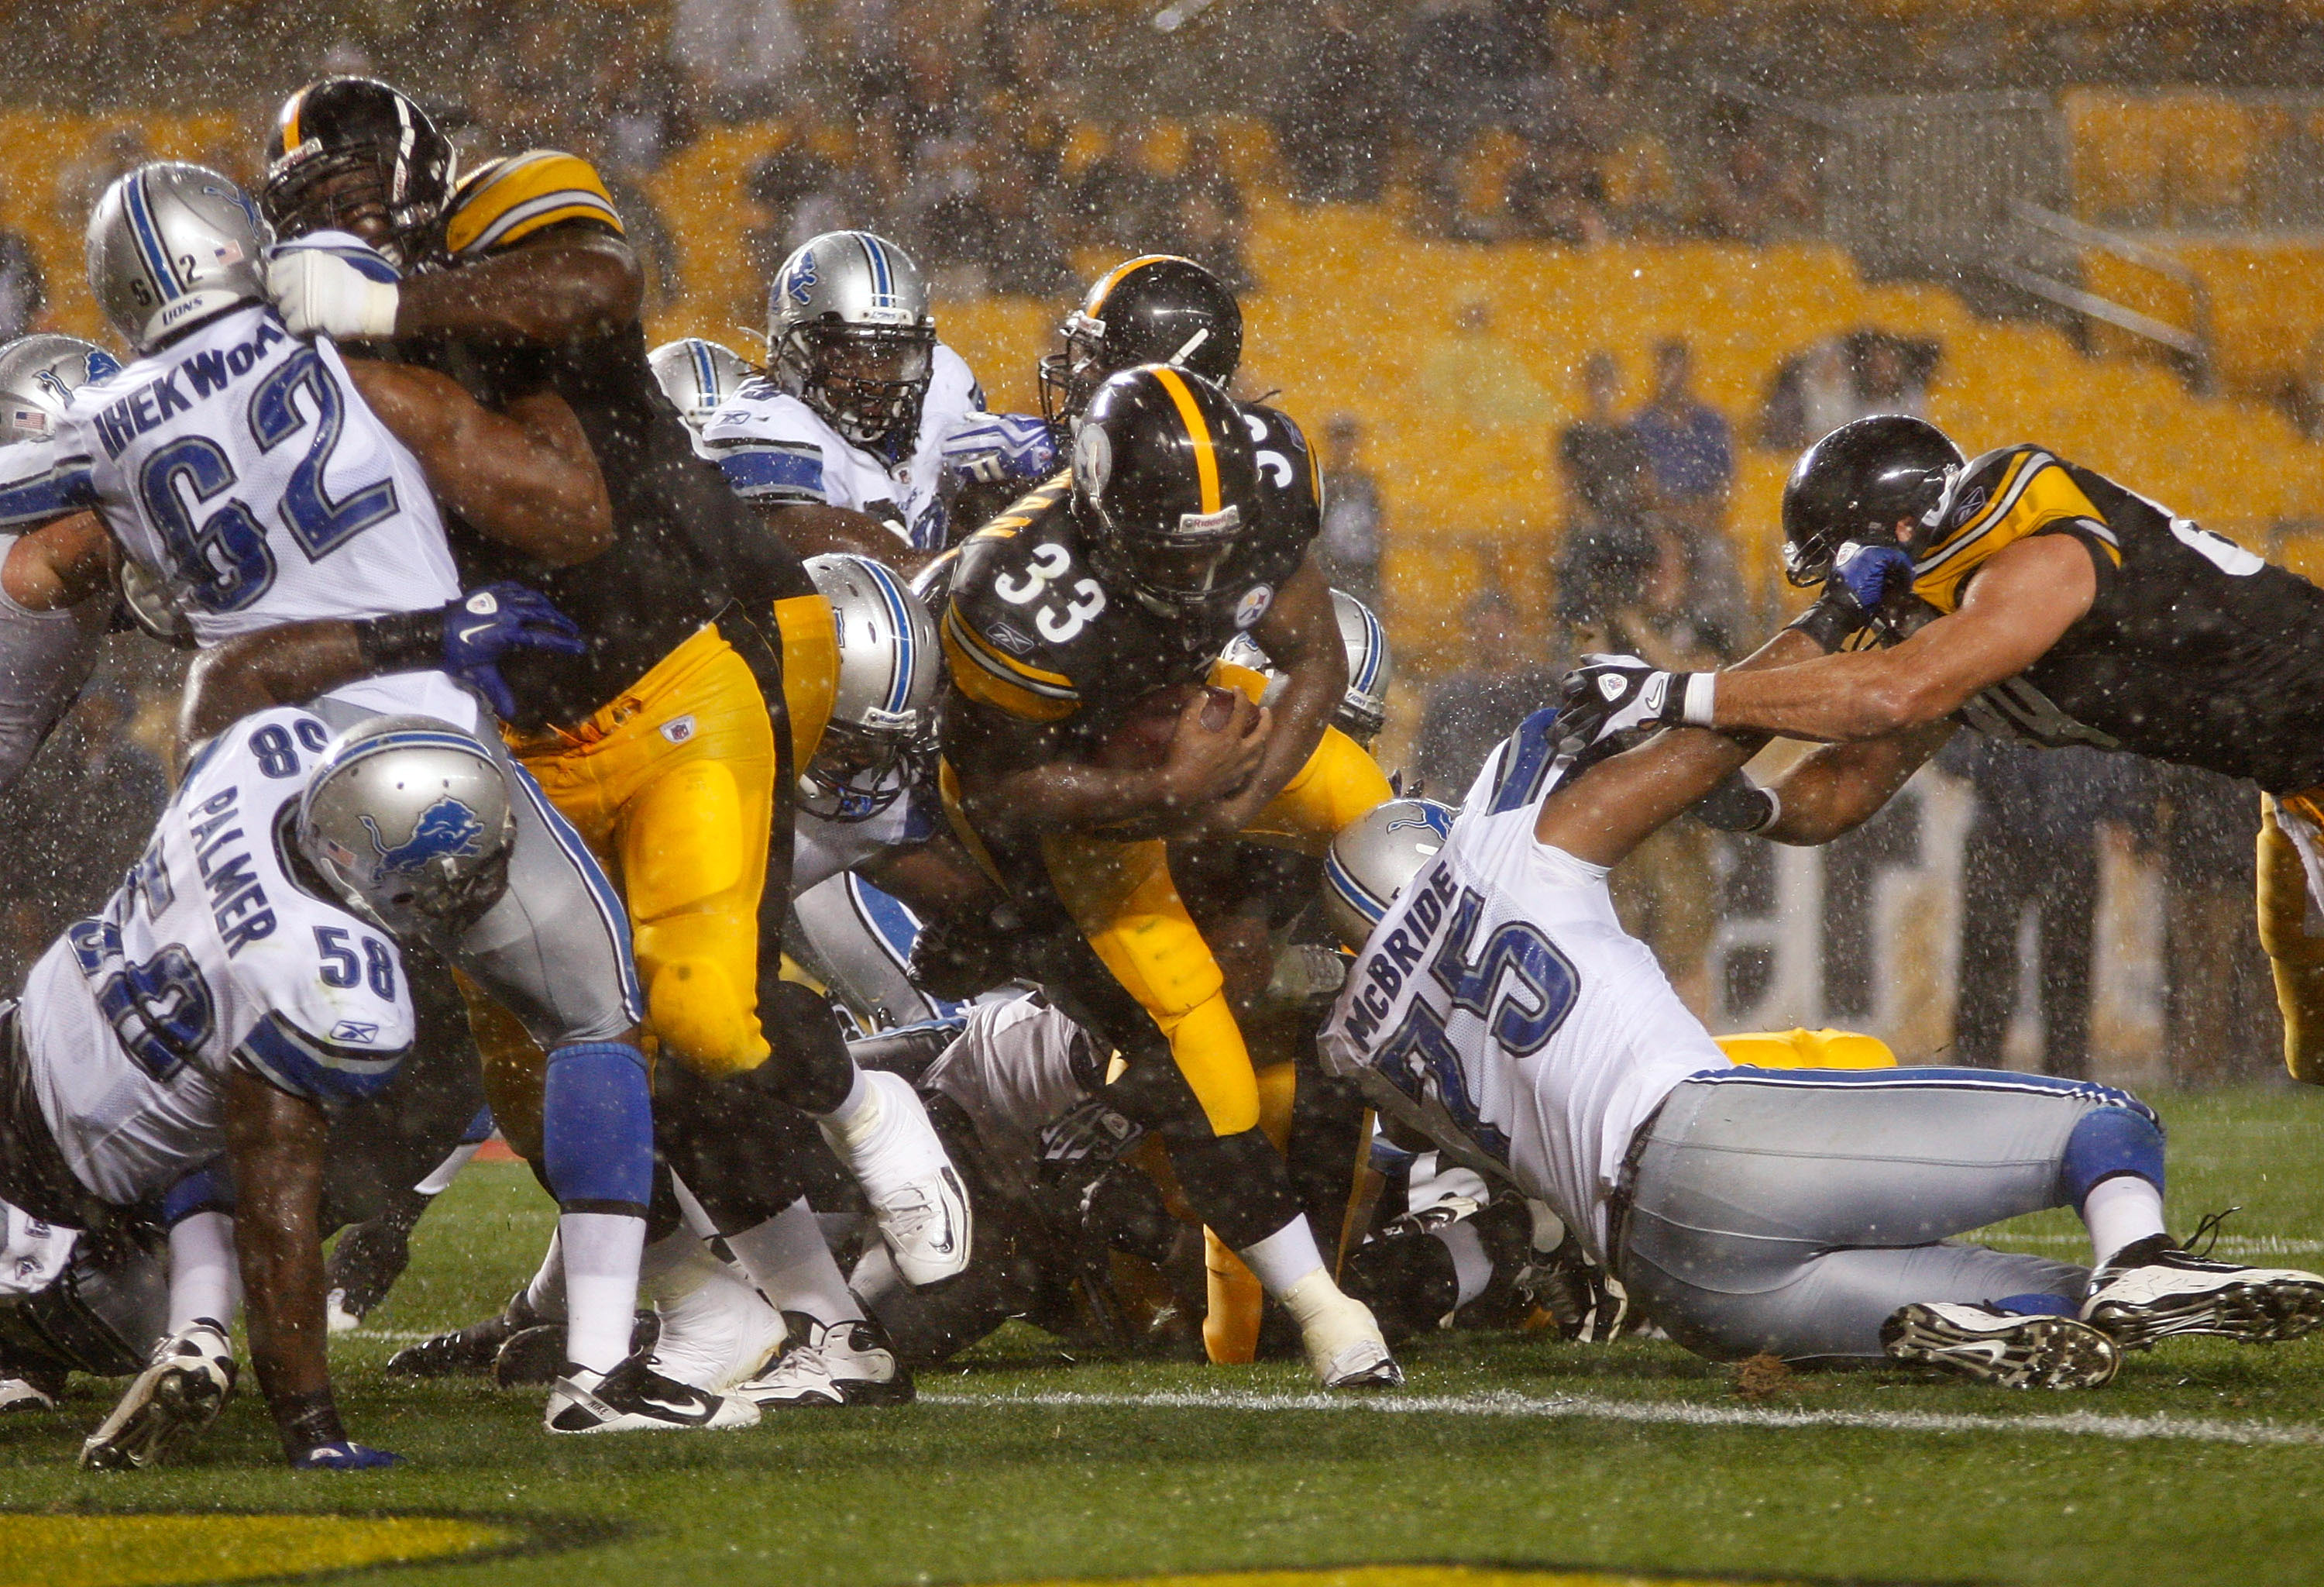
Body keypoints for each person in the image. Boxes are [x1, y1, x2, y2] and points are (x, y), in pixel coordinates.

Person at [256, 80, 972, 1313]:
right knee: (552, 1030)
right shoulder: (337, 348)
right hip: (570, 691)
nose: (349, 216)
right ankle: (666, 1295)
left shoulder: (497, 215)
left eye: (364, 186)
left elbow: (598, 286)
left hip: (719, 631)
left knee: (693, 1001)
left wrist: (389, 299)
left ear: (425, 167)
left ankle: (834, 1202)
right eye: (319, 201)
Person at [1322, 691, 2324, 1386]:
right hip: (1705, 1148)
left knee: (2070, 1305)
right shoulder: (1504, 856)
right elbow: (1562, 738)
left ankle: (1957, 1334)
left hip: (1680, 1288)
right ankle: (2143, 1252)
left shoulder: (1358, 1043)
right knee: (2106, 1125)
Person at [1557, 413, 2324, 1091]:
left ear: (1901, 529)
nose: (1854, 595)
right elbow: (1844, 789)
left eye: (1843, 569)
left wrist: (1671, 693)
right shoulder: (1963, 632)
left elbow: (1892, 693)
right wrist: (1740, 800)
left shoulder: (2040, 550)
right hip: (2298, 781)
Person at [938, 365, 1399, 1388]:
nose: (1200, 579)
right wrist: (1166, 796)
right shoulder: (1015, 594)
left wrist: (1233, 798)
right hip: (1094, 786)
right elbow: (1004, 792)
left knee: (1402, 854)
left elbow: (1315, 657)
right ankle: (1327, 1312)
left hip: (1198, 732)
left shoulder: (1265, 490)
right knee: (1200, 1040)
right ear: (1102, 517)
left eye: (1216, 551)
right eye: (1170, 553)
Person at [0, 710, 497, 1467]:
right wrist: (313, 1429)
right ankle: (69, 1309)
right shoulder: (331, 981)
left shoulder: (261, 754)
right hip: (62, 1167)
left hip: (27, 1035)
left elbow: (242, 677)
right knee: (114, 1311)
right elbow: (275, 1214)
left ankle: (118, 1313)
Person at [697, 230, 989, 566]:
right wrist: (982, 570)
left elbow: (985, 517)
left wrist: (1045, 469)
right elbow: (876, 564)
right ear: (792, 350)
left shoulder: (945, 381)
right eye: (848, 356)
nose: (876, 380)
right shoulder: (760, 424)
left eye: (894, 356)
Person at [1941, 738, 2138, 1078]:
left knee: (2065, 962)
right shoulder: (1993, 693)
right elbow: (1953, 756)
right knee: (1989, 958)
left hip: (2063, 839)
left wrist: (2117, 808)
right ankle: (1976, 1068)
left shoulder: (2075, 695)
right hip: (2004, 837)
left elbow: (2114, 755)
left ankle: (2060, 1071)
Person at [1415, 590, 1559, 798]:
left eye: (1501, 630)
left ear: (1517, 630)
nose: (1495, 640)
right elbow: (1428, 774)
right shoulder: (1450, 696)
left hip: (1530, 804)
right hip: (1464, 804)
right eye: (1485, 632)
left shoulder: (1545, 686)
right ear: (1471, 634)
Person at [1629, 339, 1732, 542]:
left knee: (1717, 554)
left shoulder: (1711, 424)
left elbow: (1725, 483)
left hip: (1705, 520)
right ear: (1658, 374)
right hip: (1655, 522)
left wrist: (1701, 512)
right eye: (1669, 370)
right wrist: (1674, 512)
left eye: (1680, 370)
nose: (1675, 379)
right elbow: (1641, 486)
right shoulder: (1640, 426)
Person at [1315, 414, 1383, 614]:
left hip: (1362, 571)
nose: (1343, 447)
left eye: (1347, 439)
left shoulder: (1367, 485)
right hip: (1331, 570)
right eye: (1339, 440)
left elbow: (1377, 535)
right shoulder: (1323, 483)